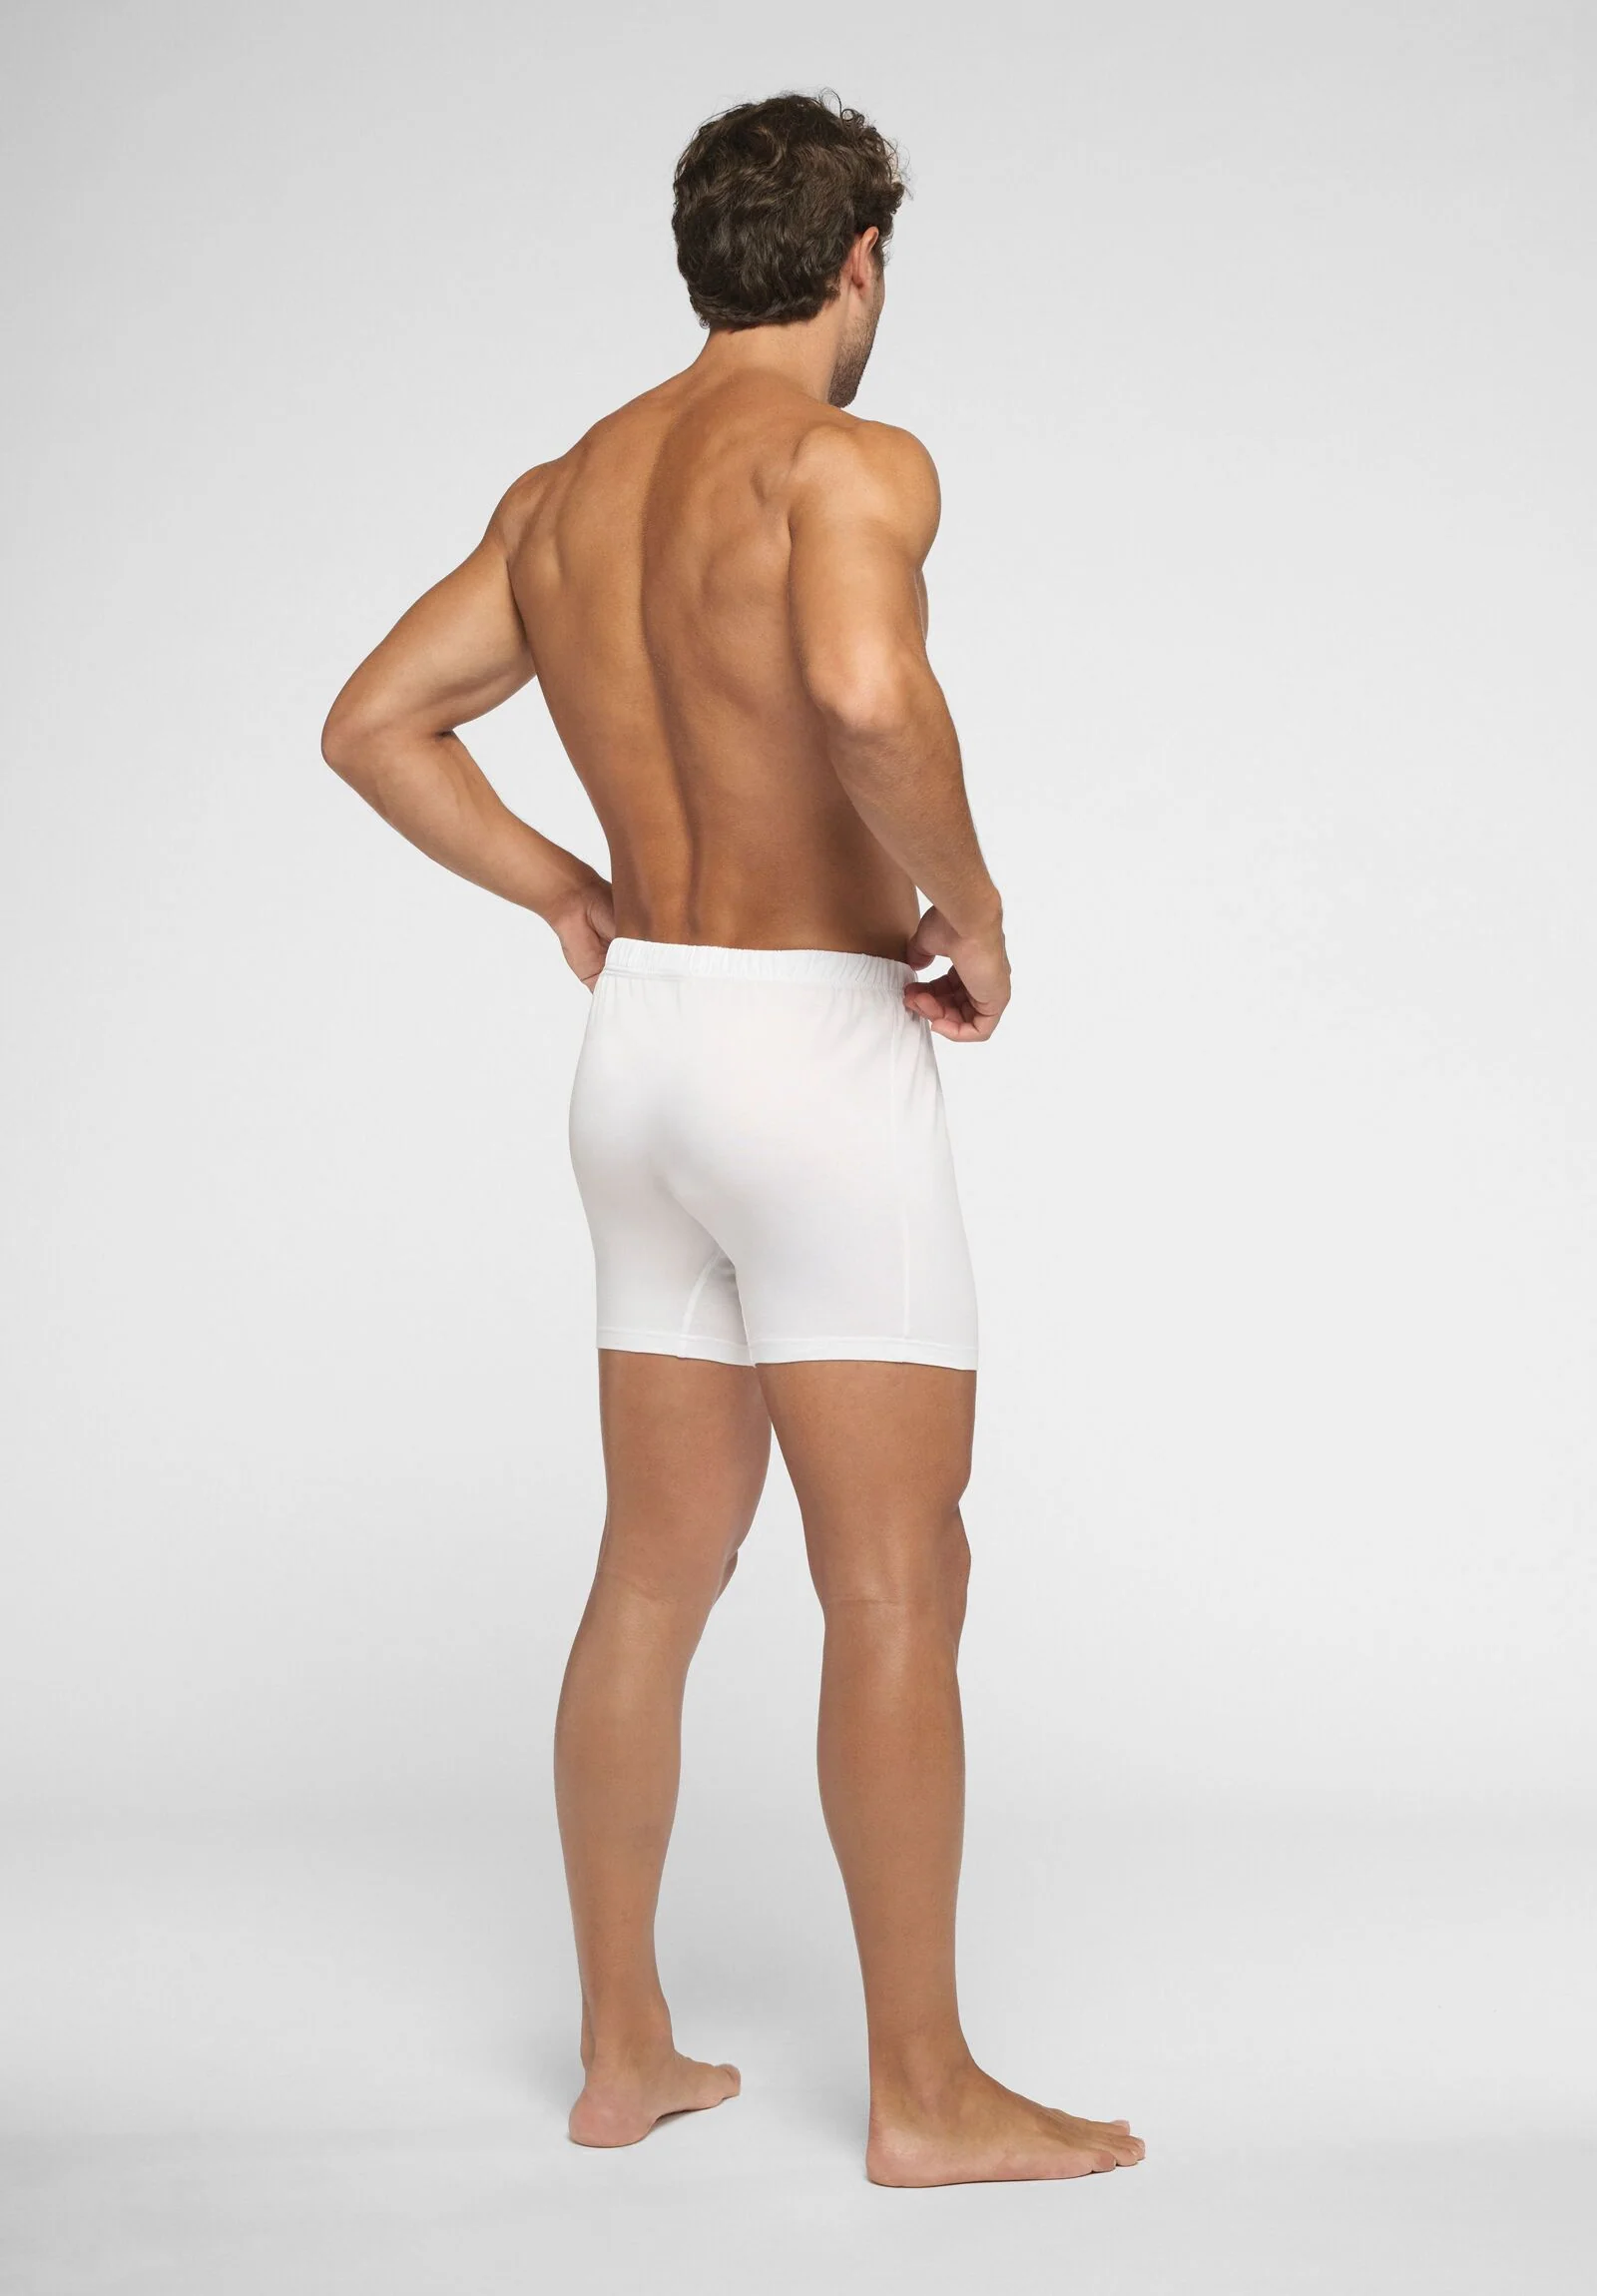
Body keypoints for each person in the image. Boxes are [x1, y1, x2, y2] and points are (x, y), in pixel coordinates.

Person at [321, 90, 1144, 2190]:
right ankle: (925, 2095)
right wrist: (972, 912)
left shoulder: (568, 494)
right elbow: (863, 696)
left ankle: (624, 2055)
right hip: (810, 1057)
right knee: (897, 1573)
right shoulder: (845, 461)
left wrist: (564, 891)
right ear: (860, 263)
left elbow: (374, 723)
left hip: (644, 1063)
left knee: (653, 1567)